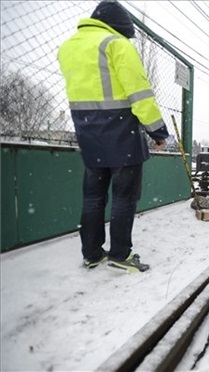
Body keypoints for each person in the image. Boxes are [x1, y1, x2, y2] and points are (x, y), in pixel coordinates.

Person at [57, 0, 169, 273]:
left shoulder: (68, 48)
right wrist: (157, 131)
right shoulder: (117, 44)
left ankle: (92, 253)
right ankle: (120, 254)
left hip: (88, 133)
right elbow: (139, 93)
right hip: (121, 132)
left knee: (93, 197)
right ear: (120, 26)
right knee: (124, 197)